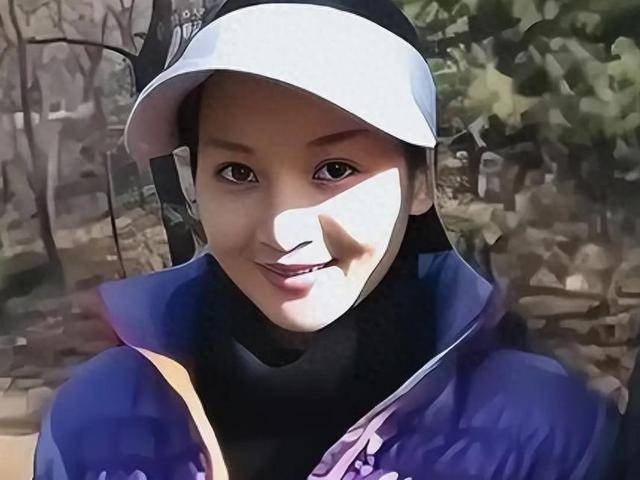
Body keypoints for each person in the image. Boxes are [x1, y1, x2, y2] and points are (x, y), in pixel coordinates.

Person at [33, 1, 619, 479]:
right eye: (237, 173)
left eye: (335, 170)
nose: (283, 231)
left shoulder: (546, 433)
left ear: (421, 182)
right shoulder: (96, 417)